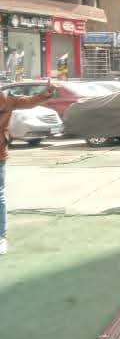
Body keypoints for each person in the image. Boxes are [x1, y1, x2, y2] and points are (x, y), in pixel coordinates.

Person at [0, 80, 56, 255]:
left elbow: (29, 102)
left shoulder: (7, 99)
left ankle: (1, 237)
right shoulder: (7, 99)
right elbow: (30, 102)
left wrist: (46, 93)